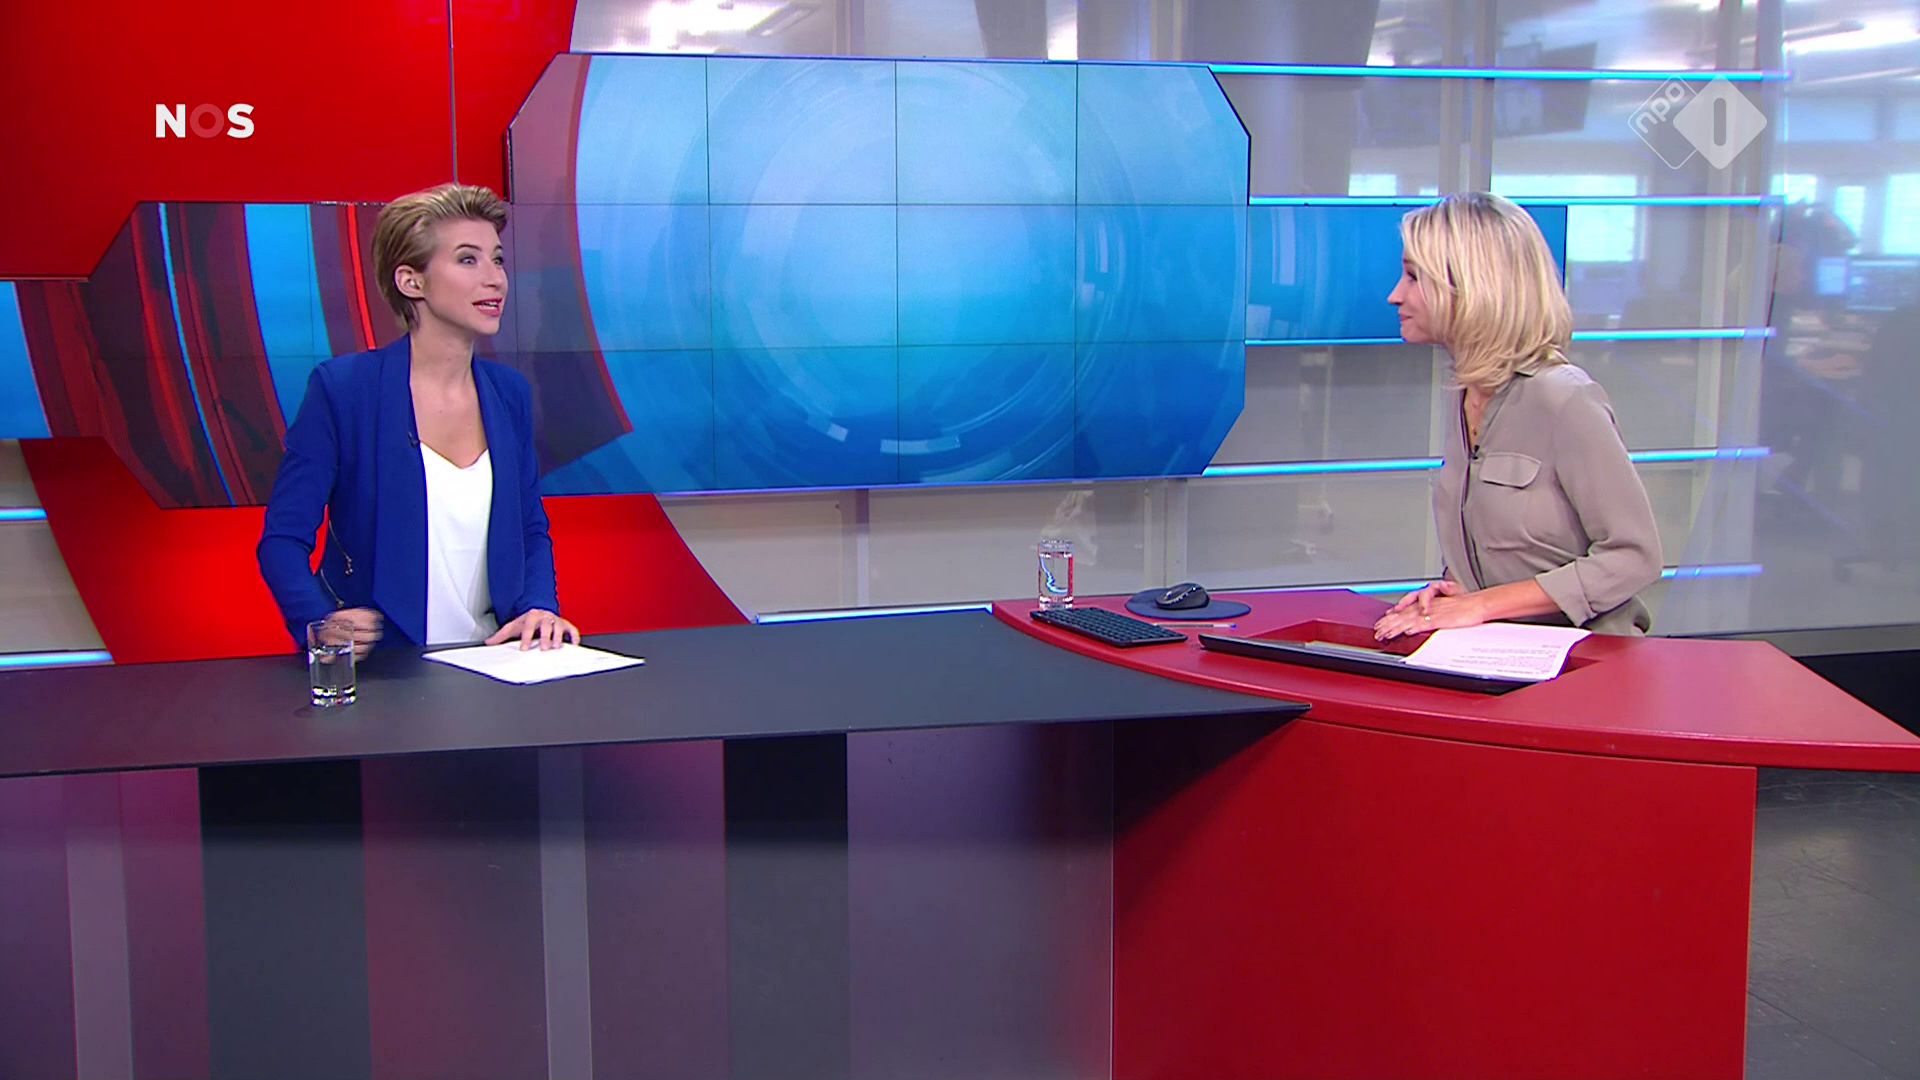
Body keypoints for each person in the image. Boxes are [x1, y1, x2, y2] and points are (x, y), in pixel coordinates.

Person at [258, 183, 579, 653]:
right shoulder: (345, 390)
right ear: (412, 282)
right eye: (468, 260)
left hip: (496, 660)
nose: (495, 279)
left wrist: (539, 606)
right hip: (384, 668)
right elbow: (283, 540)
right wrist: (319, 625)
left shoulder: (508, 393)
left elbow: (530, 528)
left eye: (497, 260)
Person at [1373, 192, 1662, 641]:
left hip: (1586, 658)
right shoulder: (1466, 392)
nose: (1395, 296)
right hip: (1498, 651)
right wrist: (1456, 593)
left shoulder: (1565, 399)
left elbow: (1634, 557)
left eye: (1414, 277)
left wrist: (1482, 605)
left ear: (1471, 284)